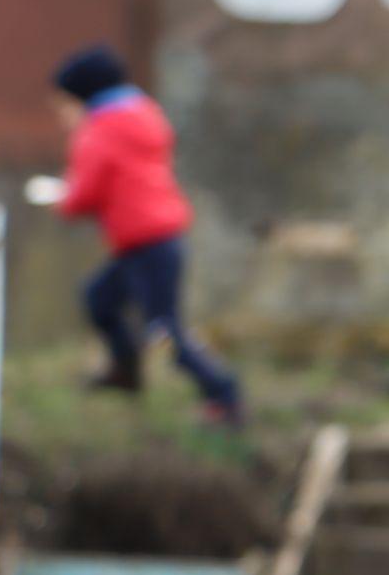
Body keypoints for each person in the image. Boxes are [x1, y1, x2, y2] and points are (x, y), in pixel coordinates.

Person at [32, 44, 242, 428]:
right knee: (100, 299)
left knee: (164, 330)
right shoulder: (142, 114)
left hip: (145, 240)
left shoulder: (99, 130)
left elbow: (85, 193)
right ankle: (125, 372)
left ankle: (224, 396)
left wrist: (60, 199)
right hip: (155, 237)